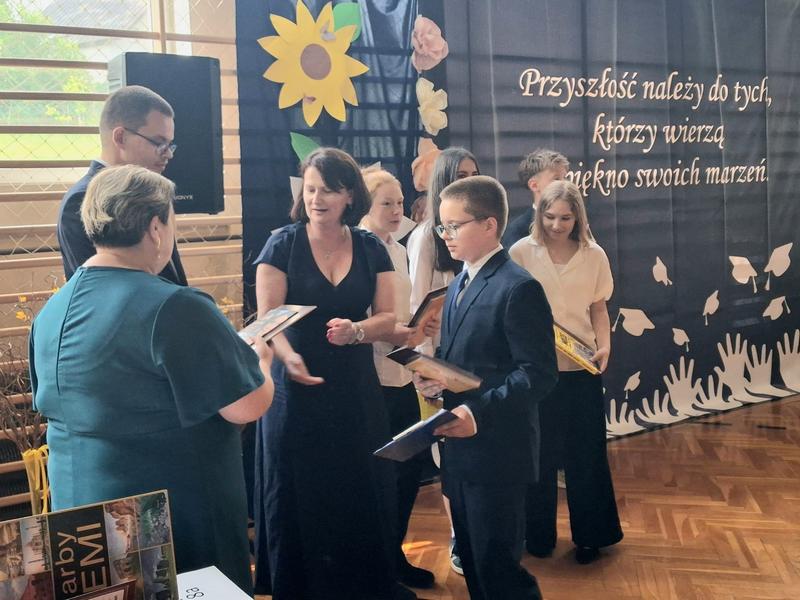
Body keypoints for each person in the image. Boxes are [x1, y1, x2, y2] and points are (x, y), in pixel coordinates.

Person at [29, 165, 274, 594]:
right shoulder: (175, 306)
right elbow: (247, 404)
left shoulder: (51, 311)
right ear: (156, 228)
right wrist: (261, 359)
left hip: (82, 521)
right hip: (170, 517)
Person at [252, 148, 415, 600]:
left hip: (353, 386)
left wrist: (357, 331)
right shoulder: (281, 244)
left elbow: (387, 317)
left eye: (327, 190)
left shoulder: (370, 246)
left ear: (349, 196)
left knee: (358, 482)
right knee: (297, 487)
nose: (316, 199)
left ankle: (360, 585)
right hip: (294, 386)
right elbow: (267, 321)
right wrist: (288, 357)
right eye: (310, 190)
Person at [415, 175, 558, 600]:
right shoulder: (460, 281)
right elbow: (465, 360)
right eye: (442, 226)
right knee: (475, 561)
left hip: (498, 450)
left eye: (454, 226)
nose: (445, 235)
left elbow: (538, 373)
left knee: (499, 568)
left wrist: (476, 413)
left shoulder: (518, 287)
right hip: (460, 449)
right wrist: (435, 378)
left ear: (490, 225)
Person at [509, 179, 623, 564]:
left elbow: (599, 308)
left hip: (581, 370)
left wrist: (605, 345)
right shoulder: (520, 252)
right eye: (550, 216)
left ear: (578, 218)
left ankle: (592, 536)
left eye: (566, 218)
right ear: (539, 214)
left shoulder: (595, 256)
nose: (557, 225)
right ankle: (537, 534)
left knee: (586, 455)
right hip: (537, 371)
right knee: (537, 455)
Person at [360, 166, 437, 590]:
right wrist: (407, 333)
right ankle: (376, 563)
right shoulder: (360, 247)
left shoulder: (398, 247)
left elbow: (402, 313)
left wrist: (422, 328)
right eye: (386, 203)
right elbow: (369, 321)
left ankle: (394, 555)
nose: (396, 210)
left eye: (400, 202)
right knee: (378, 477)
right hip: (371, 380)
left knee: (408, 470)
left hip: (402, 372)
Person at [405, 147, 479, 574]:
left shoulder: (478, 234)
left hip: (475, 362)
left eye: (474, 173)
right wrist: (425, 373)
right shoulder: (425, 237)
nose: (469, 181)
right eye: (461, 174)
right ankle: (458, 537)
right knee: (447, 453)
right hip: (439, 366)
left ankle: (479, 533)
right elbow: (417, 312)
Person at [57, 85, 186, 285]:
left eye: (170, 145)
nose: (168, 154)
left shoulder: (149, 192)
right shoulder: (83, 198)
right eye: (158, 143)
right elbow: (97, 288)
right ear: (120, 137)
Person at [501, 148, 568, 249]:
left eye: (565, 178)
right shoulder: (517, 231)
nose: (564, 184)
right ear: (534, 185)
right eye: (556, 179)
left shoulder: (575, 223)